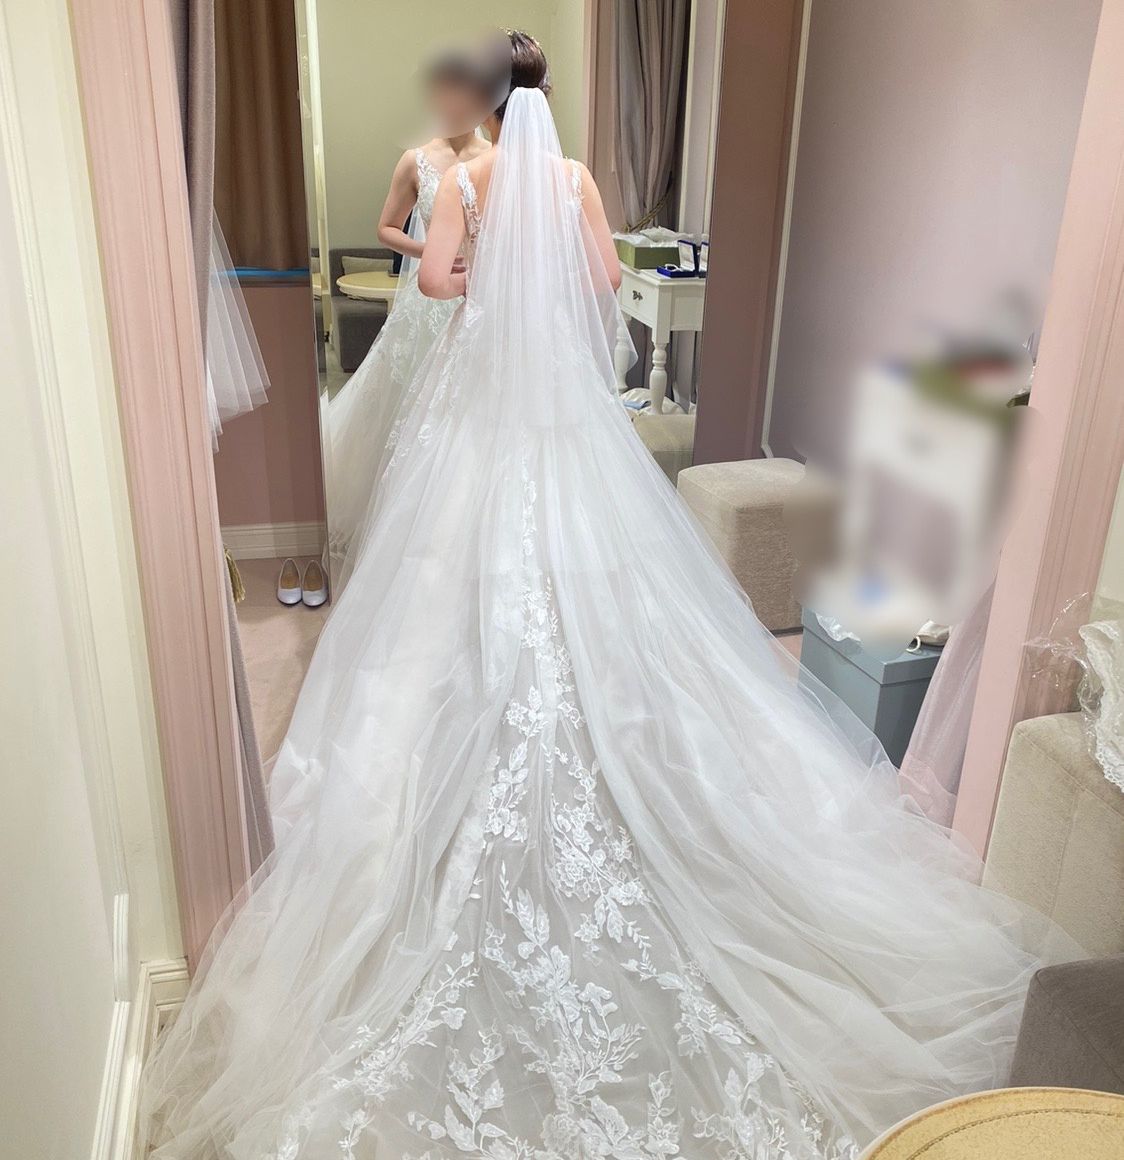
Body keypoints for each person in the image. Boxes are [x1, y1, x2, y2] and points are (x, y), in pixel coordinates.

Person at [142, 32, 1073, 1160]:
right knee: (597, 565)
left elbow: (431, 281)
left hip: (478, 409)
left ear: (488, 101)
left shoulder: (471, 176)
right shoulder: (577, 177)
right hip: (559, 413)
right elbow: (595, 280)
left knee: (447, 577)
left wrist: (483, 277)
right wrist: (536, 282)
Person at [325, 55, 490, 573]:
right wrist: (430, 251)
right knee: (409, 401)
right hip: (427, 298)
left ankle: (461, 524)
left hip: (478, 298)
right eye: (446, 94)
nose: (455, 104)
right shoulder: (415, 161)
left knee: (469, 410)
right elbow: (386, 228)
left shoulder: (496, 157)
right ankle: (396, 521)